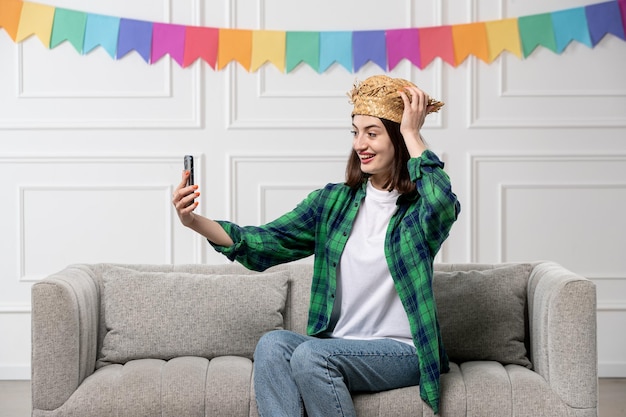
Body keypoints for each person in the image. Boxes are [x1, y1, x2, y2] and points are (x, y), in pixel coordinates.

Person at [172, 74, 460, 416]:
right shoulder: (333, 203)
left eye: (372, 133)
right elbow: (265, 243)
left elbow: (443, 201)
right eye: (355, 132)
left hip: (403, 351)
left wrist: (413, 133)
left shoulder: (417, 213)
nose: (360, 144)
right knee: (273, 345)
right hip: (339, 346)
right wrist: (193, 222)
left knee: (311, 355)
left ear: (397, 139)